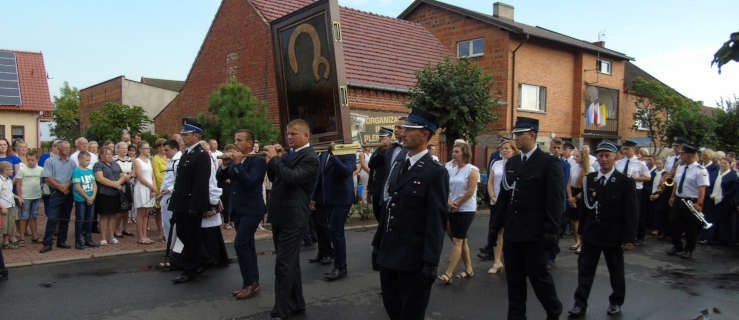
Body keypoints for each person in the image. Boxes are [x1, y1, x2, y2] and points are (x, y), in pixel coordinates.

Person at [372, 109, 448, 320]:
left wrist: (430, 263)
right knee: (392, 307)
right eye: (402, 129)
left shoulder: (435, 172)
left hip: (413, 260)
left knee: (411, 314)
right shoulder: (399, 164)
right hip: (390, 255)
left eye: (408, 129)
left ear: (424, 134)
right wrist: (378, 244)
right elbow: (390, 208)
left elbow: (436, 221)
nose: (402, 133)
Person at [490, 117, 564, 320]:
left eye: (519, 135)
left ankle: (553, 310)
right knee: (514, 283)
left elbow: (554, 201)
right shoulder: (512, 163)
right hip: (513, 234)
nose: (516, 138)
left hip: (535, 234)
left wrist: (551, 233)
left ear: (532, 135)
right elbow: (505, 199)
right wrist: (494, 230)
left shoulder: (549, 163)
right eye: (514, 134)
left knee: (539, 280)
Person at [567, 140, 637, 318]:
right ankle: (579, 303)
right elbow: (585, 208)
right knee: (585, 271)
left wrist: (628, 238)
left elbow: (631, 212)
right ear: (596, 158)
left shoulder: (625, 182)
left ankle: (616, 302)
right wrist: (581, 232)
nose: (604, 159)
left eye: (608, 156)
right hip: (592, 234)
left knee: (616, 272)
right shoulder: (590, 179)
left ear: (615, 157)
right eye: (600, 156)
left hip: (613, 235)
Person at [263, 119, 319, 319]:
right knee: (290, 262)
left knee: (284, 264)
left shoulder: (310, 157)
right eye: (287, 134)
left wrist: (277, 159)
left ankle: (282, 308)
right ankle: (296, 302)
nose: (289, 137)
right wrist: (271, 160)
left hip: (294, 217)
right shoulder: (290, 155)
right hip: (280, 215)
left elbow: (292, 177)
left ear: (306, 135)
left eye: (293, 134)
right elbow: (275, 176)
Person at [226, 129, 267, 300]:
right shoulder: (238, 160)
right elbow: (222, 176)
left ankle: (250, 283)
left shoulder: (257, 161)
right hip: (239, 210)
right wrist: (225, 164)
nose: (236, 143)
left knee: (240, 244)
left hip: (252, 210)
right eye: (235, 139)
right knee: (247, 246)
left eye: (240, 140)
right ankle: (251, 282)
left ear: (250, 143)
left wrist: (236, 165)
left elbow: (250, 182)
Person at [170, 119, 212, 284]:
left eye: (186, 134)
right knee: (183, 234)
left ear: (196, 135)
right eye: (183, 134)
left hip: (191, 204)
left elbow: (201, 184)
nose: (183, 137)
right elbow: (180, 181)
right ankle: (202, 259)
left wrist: (196, 206)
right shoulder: (187, 153)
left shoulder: (201, 155)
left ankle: (190, 269)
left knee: (190, 236)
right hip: (181, 202)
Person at [438, 141, 479, 283]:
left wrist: (457, 204)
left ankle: (448, 274)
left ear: (465, 153)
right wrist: (449, 201)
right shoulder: (451, 168)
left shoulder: (472, 170)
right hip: (451, 207)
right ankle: (468, 268)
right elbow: (446, 186)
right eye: (453, 151)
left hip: (466, 209)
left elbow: (470, 191)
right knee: (461, 240)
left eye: (457, 152)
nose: (453, 154)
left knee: (457, 241)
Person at [316, 144, 356, 281]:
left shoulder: (347, 151)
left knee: (336, 232)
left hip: (342, 198)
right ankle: (337, 263)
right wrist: (314, 198)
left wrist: (334, 156)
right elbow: (321, 176)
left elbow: (347, 171)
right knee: (332, 231)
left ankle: (341, 267)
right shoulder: (323, 154)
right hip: (329, 199)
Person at [666, 143, 710, 259]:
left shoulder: (700, 170)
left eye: (683, 154)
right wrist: (672, 196)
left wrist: (699, 203)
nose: (680, 156)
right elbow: (676, 183)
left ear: (690, 155)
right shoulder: (681, 167)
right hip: (679, 199)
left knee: (691, 227)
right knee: (673, 222)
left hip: (692, 200)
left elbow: (702, 189)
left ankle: (689, 249)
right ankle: (677, 246)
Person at [483, 138, 517, 273]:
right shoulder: (496, 163)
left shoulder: (518, 163)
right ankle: (497, 261)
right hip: (496, 202)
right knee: (497, 232)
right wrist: (492, 196)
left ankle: (511, 260)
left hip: (512, 203)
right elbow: (490, 182)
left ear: (514, 150)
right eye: (502, 148)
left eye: (507, 148)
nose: (504, 150)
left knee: (511, 233)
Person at [40, 140, 77, 253]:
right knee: (52, 218)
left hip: (67, 193)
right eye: (65, 148)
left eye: (68, 148)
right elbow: (47, 177)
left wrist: (66, 186)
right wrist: (60, 187)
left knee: (65, 218)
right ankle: (47, 243)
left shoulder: (72, 162)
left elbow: (74, 176)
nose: (67, 150)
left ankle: (61, 241)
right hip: (55, 193)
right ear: (59, 149)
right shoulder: (50, 161)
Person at [615, 140, 650, 245]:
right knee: (622, 213)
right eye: (624, 149)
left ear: (634, 150)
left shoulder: (640, 163)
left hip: (635, 191)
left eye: (627, 149)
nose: (625, 151)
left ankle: (638, 236)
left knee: (636, 214)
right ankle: (623, 235)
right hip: (621, 191)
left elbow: (648, 177)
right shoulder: (619, 162)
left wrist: (637, 178)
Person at [93, 147, 128, 245]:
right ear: (101, 155)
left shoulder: (115, 164)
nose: (109, 156)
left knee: (113, 216)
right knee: (104, 216)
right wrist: (115, 184)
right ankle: (103, 238)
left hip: (115, 194)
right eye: (107, 154)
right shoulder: (98, 165)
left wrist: (118, 183)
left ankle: (112, 237)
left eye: (110, 154)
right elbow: (100, 178)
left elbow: (123, 176)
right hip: (104, 194)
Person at [567, 150, 594, 254]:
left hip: (582, 194)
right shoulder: (573, 167)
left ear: (583, 157)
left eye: (577, 156)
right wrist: (570, 197)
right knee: (573, 220)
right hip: (572, 192)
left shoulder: (590, 169)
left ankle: (582, 243)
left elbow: (588, 188)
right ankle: (577, 241)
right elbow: (568, 183)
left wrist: (576, 198)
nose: (574, 158)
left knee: (581, 220)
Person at [15, 149, 44, 243]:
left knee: (34, 217)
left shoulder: (41, 169)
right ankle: (22, 237)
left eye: (33, 160)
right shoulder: (22, 170)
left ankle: (34, 236)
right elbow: (18, 184)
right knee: (24, 217)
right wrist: (20, 197)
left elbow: (43, 182)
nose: (31, 162)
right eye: (29, 160)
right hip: (25, 197)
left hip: (37, 196)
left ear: (37, 159)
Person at [72, 151, 98, 249]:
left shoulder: (90, 171)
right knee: (80, 220)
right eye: (86, 160)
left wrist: (93, 197)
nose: (88, 162)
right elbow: (77, 186)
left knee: (89, 220)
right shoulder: (77, 171)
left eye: (89, 160)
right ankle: (78, 241)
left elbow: (94, 185)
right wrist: (87, 197)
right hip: (81, 200)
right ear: (80, 159)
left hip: (91, 200)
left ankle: (88, 239)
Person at [133, 142, 157, 244]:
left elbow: (152, 175)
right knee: (141, 213)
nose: (148, 150)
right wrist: (151, 187)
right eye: (146, 148)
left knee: (147, 213)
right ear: (140, 150)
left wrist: (154, 188)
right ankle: (140, 237)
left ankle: (145, 236)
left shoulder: (148, 160)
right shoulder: (137, 161)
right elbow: (140, 177)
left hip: (150, 188)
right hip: (142, 188)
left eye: (148, 148)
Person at [711, 158, 738, 245]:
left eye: (725, 163)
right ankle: (715, 237)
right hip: (716, 198)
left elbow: (733, 189)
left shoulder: (732, 175)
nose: (722, 165)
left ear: (729, 165)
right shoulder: (719, 173)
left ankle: (724, 239)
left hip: (725, 201)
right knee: (716, 219)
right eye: (721, 163)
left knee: (724, 221)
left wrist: (724, 196)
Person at [114, 141, 134, 238]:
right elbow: (116, 172)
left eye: (126, 148)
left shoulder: (131, 160)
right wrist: (126, 177)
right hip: (119, 186)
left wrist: (129, 176)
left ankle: (125, 228)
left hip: (128, 186)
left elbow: (134, 172)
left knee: (127, 209)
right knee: (119, 209)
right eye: (122, 148)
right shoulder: (114, 160)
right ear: (117, 149)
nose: (124, 150)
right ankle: (116, 229)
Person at [1, 161, 20, 249]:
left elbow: (10, 192)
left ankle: (6, 241)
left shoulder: (9, 180)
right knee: (4, 225)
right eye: (11, 169)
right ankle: (4, 242)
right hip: (4, 206)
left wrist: (17, 197)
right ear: (5, 170)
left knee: (10, 224)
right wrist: (2, 207)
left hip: (11, 205)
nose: (12, 171)